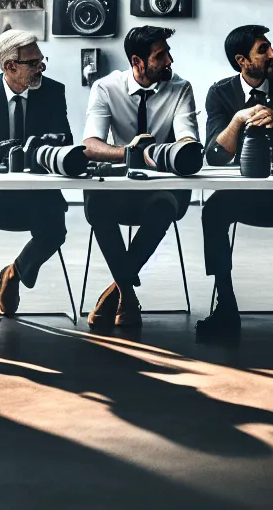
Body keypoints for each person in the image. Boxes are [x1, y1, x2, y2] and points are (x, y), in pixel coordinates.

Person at [198, 25, 273, 340]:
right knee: (211, 212)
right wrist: (238, 119)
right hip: (241, 194)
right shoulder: (220, 93)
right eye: (263, 50)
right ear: (242, 60)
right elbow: (214, 156)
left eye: (270, 48)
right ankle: (225, 304)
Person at [80, 26, 200, 328]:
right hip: (120, 186)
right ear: (138, 61)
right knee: (96, 205)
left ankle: (116, 292)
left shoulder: (181, 88)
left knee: (162, 207)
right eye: (161, 55)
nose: (169, 61)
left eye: (168, 53)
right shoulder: (106, 88)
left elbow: (188, 140)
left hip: (163, 187)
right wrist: (128, 153)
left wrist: (167, 154)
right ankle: (128, 297)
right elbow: (90, 146)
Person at [0, 29, 71, 348]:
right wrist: (8, 151)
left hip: (36, 191)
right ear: (10, 66)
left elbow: (64, 139)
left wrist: (34, 152)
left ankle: (15, 273)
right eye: (33, 62)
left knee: (56, 227)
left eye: (41, 60)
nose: (41, 68)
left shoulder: (53, 92)